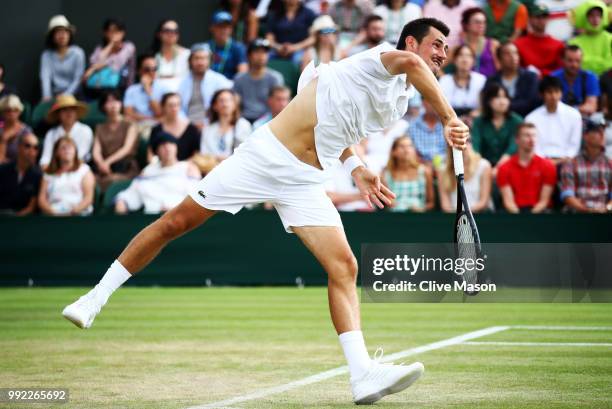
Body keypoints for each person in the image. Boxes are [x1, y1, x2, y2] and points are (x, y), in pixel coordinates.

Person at [62, 18, 470, 405]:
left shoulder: (398, 101)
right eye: (437, 44)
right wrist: (450, 118)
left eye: (448, 49)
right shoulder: (383, 57)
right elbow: (413, 64)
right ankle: (94, 298)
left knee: (344, 266)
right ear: (411, 43)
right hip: (265, 156)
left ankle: (362, 373)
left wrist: (356, 167)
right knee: (176, 222)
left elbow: (340, 129)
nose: (443, 54)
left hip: (307, 179)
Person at [115, 132, 201, 214]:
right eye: (163, 145)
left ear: (176, 147)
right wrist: (122, 201)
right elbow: (133, 193)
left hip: (181, 217)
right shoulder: (148, 171)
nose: (167, 148)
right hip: (152, 219)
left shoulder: (188, 168)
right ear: (157, 151)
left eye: (171, 143)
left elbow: (196, 197)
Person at [496, 122, 557, 213]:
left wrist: (530, 217)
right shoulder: (504, 168)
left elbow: (544, 201)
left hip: (542, 214)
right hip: (515, 213)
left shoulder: (548, 166)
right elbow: (508, 202)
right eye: (527, 135)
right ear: (517, 140)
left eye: (534, 135)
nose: (532, 139)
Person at [525, 76, 582, 165]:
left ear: (562, 93)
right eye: (549, 92)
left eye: (557, 92)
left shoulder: (574, 115)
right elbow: (533, 146)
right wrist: (545, 162)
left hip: (567, 163)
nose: (554, 96)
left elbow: (574, 146)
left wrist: (561, 160)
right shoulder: (531, 118)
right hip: (539, 163)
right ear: (541, 94)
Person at [560, 117, 612, 213]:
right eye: (597, 131)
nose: (602, 135)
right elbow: (567, 195)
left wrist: (607, 208)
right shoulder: (571, 164)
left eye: (603, 131)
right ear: (586, 136)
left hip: (604, 215)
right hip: (577, 216)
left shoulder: (610, 164)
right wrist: (587, 210)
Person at [177, 43, 233, 130]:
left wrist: (207, 123)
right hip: (186, 125)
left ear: (209, 60)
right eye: (196, 58)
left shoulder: (220, 80)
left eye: (203, 58)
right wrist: (186, 123)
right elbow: (178, 108)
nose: (200, 62)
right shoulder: (182, 82)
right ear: (190, 61)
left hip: (213, 125)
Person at [92, 91, 140, 191]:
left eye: (116, 101)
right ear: (103, 106)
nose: (113, 105)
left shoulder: (130, 125)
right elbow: (96, 151)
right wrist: (101, 164)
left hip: (125, 168)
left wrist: (107, 162)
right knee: (90, 180)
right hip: (104, 169)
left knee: (111, 181)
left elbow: (126, 149)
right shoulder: (100, 127)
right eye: (109, 102)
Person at [38, 136, 95, 216]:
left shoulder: (84, 170)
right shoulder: (48, 173)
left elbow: (89, 197)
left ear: (75, 151)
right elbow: (42, 199)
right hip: (54, 215)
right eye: (63, 148)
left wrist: (76, 210)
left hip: (78, 214)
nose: (67, 150)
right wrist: (51, 211)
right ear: (56, 152)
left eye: (70, 147)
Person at [471, 83, 522, 169]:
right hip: (483, 166)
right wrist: (484, 168)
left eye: (505, 97)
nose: (502, 102)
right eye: (497, 97)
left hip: (510, 166)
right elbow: (475, 148)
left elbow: (512, 148)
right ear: (488, 101)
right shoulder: (479, 122)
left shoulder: (516, 121)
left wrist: (497, 168)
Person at [82, 18, 136, 99]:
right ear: (105, 33)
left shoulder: (129, 47)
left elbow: (117, 64)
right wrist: (110, 45)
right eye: (110, 31)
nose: (114, 34)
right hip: (97, 88)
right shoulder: (99, 48)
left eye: (117, 31)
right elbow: (94, 61)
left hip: (120, 88)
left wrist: (93, 69)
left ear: (123, 33)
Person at [233, 39, 284, 123]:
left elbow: (279, 105)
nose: (261, 56)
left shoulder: (275, 78)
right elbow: (235, 104)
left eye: (265, 52)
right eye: (257, 52)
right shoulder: (239, 78)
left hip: (268, 121)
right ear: (249, 55)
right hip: (243, 121)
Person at [484, 42, 540, 117]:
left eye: (515, 53)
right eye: (507, 54)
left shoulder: (531, 77)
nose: (513, 57)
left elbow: (532, 102)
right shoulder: (492, 80)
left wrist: (504, 105)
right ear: (499, 59)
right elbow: (488, 103)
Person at [381, 136, 434, 212]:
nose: (406, 150)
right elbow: (388, 202)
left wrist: (421, 209)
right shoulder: (386, 174)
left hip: (418, 217)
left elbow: (431, 203)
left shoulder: (425, 172)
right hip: (395, 217)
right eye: (402, 146)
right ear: (394, 152)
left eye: (410, 146)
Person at [39, 94, 93, 169]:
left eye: (72, 109)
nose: (69, 113)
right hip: (54, 172)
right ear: (58, 114)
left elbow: (81, 157)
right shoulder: (51, 133)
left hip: (78, 172)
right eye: (64, 110)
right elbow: (45, 159)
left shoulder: (86, 130)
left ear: (76, 112)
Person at [40, 15, 85, 101]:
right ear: (52, 36)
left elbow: (78, 79)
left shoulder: (78, 53)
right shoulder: (46, 55)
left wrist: (66, 95)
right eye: (58, 32)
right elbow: (45, 77)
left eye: (65, 31)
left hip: (74, 96)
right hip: (55, 95)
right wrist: (47, 96)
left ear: (69, 34)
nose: (62, 35)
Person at [438, 142, 493, 213]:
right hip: (455, 218)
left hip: (481, 215)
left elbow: (483, 202)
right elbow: (445, 205)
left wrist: (464, 215)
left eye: (467, 141)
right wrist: (460, 217)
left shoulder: (484, 166)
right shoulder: (442, 170)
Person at [200, 89, 252, 161]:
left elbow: (245, 153)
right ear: (215, 106)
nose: (225, 104)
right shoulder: (208, 129)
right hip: (211, 168)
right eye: (221, 101)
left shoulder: (243, 125)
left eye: (229, 100)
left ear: (235, 104)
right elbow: (204, 153)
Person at [438, 44, 486, 123]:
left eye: (468, 56)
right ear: (454, 60)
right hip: (449, 120)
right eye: (461, 55)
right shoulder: (445, 80)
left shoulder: (481, 80)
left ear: (473, 61)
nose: (464, 59)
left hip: (474, 121)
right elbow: (441, 107)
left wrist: (471, 117)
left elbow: (483, 107)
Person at [513, 4, 564, 77]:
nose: (541, 20)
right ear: (530, 19)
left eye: (544, 17)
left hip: (550, 84)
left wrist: (542, 74)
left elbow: (561, 70)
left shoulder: (558, 45)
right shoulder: (518, 44)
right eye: (538, 17)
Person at [550, 45, 601, 116]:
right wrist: (578, 109)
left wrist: (570, 111)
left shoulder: (590, 77)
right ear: (562, 60)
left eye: (578, 61)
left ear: (582, 60)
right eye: (570, 60)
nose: (574, 64)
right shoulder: (553, 77)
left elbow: (591, 107)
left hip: (582, 119)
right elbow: (551, 105)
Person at [150, 93, 200, 161]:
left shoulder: (192, 129)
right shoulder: (156, 129)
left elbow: (196, 154)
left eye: (177, 105)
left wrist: (180, 166)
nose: (174, 109)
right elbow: (151, 153)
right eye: (170, 105)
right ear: (163, 107)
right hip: (162, 168)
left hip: (185, 167)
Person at [0, 134, 42, 215]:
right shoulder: (2, 170)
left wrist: (15, 219)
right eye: (27, 146)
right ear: (19, 147)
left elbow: (31, 207)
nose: (32, 150)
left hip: (24, 221)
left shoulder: (38, 175)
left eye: (36, 148)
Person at [568, 0, 612, 76]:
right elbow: (575, 66)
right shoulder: (574, 42)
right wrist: (600, 61)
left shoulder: (610, 39)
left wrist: (587, 61)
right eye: (591, 15)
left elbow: (609, 65)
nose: (595, 19)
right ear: (584, 18)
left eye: (599, 15)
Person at [266, 0, 317, 66]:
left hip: (301, 50)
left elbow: (313, 38)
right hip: (278, 50)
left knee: (303, 58)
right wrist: (279, 48)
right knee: (264, 58)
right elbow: (269, 39)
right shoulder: (274, 14)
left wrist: (294, 47)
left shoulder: (308, 13)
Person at [123, 53, 167, 126]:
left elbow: (159, 113)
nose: (151, 72)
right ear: (139, 71)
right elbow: (128, 114)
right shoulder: (131, 90)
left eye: (154, 69)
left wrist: (148, 90)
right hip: (137, 126)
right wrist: (151, 118)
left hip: (157, 126)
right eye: (147, 69)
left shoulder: (164, 88)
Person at [458, 7, 499, 78]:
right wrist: (446, 79)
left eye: (484, 22)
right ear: (466, 25)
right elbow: (440, 66)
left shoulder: (493, 44)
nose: (482, 25)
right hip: (467, 86)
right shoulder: (459, 45)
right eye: (477, 22)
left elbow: (500, 70)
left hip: (489, 86)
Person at [409, 100, 452, 164]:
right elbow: (410, 150)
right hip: (420, 166)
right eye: (433, 101)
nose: (437, 106)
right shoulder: (412, 126)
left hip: (446, 165)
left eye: (439, 102)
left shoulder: (449, 124)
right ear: (423, 103)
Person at [151, 19, 190, 91]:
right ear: (159, 33)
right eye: (167, 31)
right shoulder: (152, 56)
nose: (171, 34)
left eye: (175, 31)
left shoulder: (188, 55)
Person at [208, 11, 248, 80]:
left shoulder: (238, 48)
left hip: (230, 87)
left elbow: (242, 75)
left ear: (231, 29)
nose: (223, 30)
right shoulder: (206, 47)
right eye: (220, 26)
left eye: (227, 27)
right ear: (212, 28)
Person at [0, 95, 34, 164]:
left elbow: (29, 159)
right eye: (8, 110)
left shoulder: (26, 131)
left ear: (20, 111)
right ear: (2, 112)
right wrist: (3, 140)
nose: (12, 113)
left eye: (15, 110)